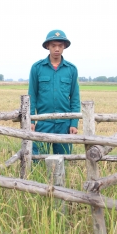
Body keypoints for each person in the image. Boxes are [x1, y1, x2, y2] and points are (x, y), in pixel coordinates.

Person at [28, 30, 80, 158]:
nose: (57, 49)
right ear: (47, 47)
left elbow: (75, 98)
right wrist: (31, 120)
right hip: (43, 122)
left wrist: (74, 123)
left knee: (62, 160)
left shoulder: (71, 69)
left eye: (60, 46)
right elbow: (31, 96)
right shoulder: (37, 68)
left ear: (64, 47)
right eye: (53, 46)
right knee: (38, 160)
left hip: (64, 124)